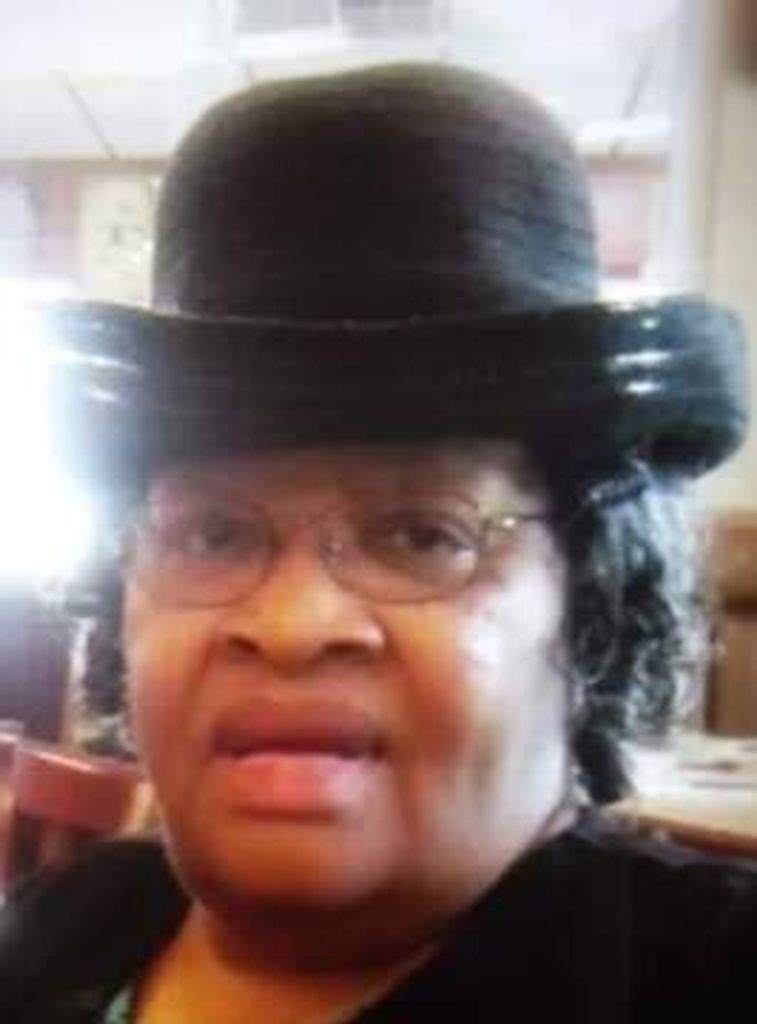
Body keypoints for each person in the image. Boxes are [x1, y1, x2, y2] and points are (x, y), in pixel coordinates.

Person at [0, 62, 754, 1022]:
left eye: (421, 534)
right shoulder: (53, 933)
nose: (290, 624)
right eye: (212, 532)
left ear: (591, 602)